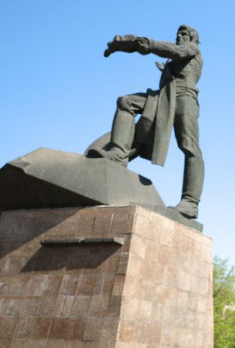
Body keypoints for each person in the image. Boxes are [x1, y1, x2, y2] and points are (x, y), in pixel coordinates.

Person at [86, 25, 204, 219]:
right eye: (177, 34)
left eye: (183, 34)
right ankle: (118, 153)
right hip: (164, 98)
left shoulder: (193, 49)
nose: (178, 36)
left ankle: (191, 202)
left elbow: (174, 50)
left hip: (185, 98)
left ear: (192, 38)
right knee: (126, 101)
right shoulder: (174, 59)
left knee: (189, 146)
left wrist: (145, 44)